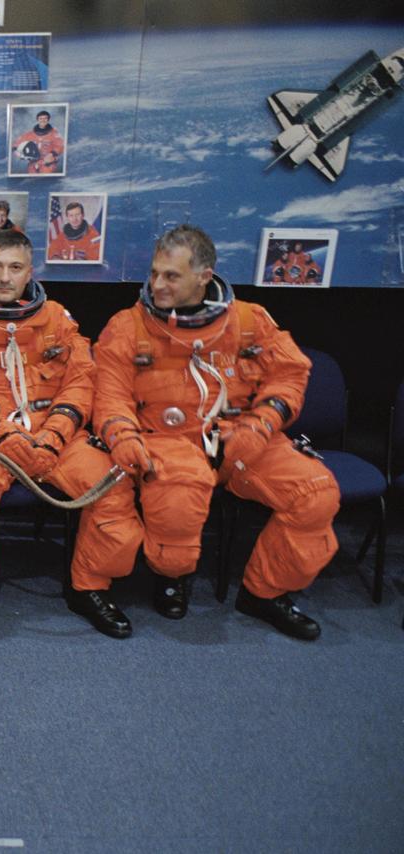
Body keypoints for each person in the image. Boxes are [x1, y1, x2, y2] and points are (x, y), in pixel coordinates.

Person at [88, 224, 338, 640]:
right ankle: (172, 578)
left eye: (171, 276)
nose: (157, 284)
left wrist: (263, 423)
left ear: (204, 276)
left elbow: (290, 375)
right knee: (178, 500)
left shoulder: (249, 321)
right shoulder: (129, 326)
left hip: (244, 437)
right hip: (167, 440)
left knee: (315, 493)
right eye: (154, 273)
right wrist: (122, 436)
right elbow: (110, 394)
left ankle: (265, 592)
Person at [0, 229, 142, 647]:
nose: (5, 277)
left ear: (30, 272)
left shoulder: (56, 320)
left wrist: (56, 433)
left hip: (50, 435)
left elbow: (81, 382)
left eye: (15, 267)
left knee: (111, 487)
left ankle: (90, 587)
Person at [12, 110, 64, 174]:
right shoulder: (30, 134)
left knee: (45, 178)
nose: (43, 120)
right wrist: (18, 153)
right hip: (33, 164)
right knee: (32, 179)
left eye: (45, 118)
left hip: (48, 164)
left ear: (48, 120)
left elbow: (60, 145)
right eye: (41, 118)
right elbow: (16, 144)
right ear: (37, 120)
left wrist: (52, 154)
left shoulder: (54, 134)